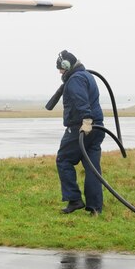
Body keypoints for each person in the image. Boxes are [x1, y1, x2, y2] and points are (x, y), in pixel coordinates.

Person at [54, 50, 105, 216]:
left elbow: (81, 101)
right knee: (92, 167)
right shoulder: (86, 75)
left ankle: (74, 199)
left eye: (60, 69)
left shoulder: (75, 79)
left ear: (67, 66)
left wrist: (86, 121)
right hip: (98, 128)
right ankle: (95, 208)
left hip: (81, 128)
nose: (60, 72)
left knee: (63, 159)